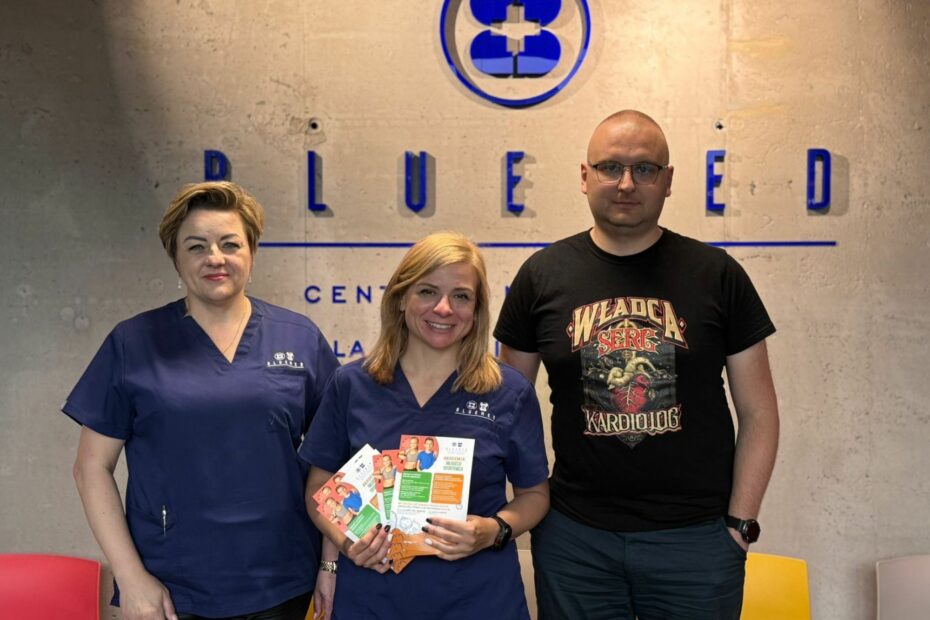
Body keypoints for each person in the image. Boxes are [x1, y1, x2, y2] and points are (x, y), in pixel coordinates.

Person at [494, 110, 780, 620]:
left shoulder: (717, 275)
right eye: (610, 167)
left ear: (668, 181)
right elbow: (505, 414)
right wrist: (523, 509)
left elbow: (759, 413)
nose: (626, 183)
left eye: (644, 169)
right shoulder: (541, 276)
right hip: (576, 540)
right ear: (585, 177)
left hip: (695, 541)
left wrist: (740, 524)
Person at [65, 181, 340, 620]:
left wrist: (329, 562)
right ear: (176, 258)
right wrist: (131, 578)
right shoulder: (133, 343)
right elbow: (91, 468)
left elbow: (336, 461)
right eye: (196, 246)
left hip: (283, 581)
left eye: (230, 244)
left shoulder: (300, 338)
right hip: (172, 589)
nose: (215, 257)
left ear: (252, 253)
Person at [299, 231, 550, 620]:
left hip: (479, 599)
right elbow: (320, 485)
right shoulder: (351, 385)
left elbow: (534, 495)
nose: (444, 308)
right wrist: (346, 543)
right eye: (428, 291)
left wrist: (494, 529)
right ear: (401, 298)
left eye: (461, 296)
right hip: (372, 598)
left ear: (477, 310)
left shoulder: (509, 392)